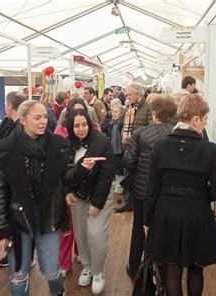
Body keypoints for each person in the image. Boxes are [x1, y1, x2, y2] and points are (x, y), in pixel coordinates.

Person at [0, 100, 94, 296]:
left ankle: (58, 293)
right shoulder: (6, 148)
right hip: (17, 220)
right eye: (37, 117)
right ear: (22, 119)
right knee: (19, 274)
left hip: (49, 216)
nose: (43, 122)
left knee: (51, 271)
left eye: (45, 117)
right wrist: (1, 228)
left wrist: (81, 169)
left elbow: (65, 177)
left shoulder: (58, 145)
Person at [144, 94, 216, 296]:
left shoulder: (160, 145)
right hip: (197, 214)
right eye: (205, 120)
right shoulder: (209, 149)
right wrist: (199, 193)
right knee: (196, 267)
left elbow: (151, 188)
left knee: (172, 269)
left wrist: (147, 220)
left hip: (166, 212)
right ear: (196, 119)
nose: (204, 125)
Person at [123, 94, 177, 279]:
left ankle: (134, 266)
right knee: (163, 229)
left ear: (154, 114)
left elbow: (129, 163)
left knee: (138, 228)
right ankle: (160, 269)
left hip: (142, 190)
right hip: (166, 192)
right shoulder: (177, 135)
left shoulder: (140, 134)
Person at [64, 108, 115, 295]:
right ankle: (86, 266)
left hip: (99, 194)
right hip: (77, 195)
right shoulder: (67, 143)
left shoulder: (101, 141)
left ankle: (98, 271)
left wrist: (97, 202)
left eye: (84, 124)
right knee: (81, 233)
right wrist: (67, 191)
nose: (81, 129)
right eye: (76, 125)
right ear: (71, 127)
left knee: (95, 233)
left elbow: (106, 174)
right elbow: (64, 172)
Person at [0, 91, 28, 267]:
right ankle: (15, 252)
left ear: (11, 106)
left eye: (6, 104)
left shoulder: (19, 130)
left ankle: (22, 255)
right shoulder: (8, 123)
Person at [116, 83, 152, 213]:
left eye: (130, 94)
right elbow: (123, 124)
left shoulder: (148, 108)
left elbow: (150, 127)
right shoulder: (129, 107)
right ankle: (128, 202)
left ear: (138, 94)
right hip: (128, 147)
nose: (127, 96)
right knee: (127, 174)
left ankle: (131, 202)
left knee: (135, 176)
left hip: (140, 148)